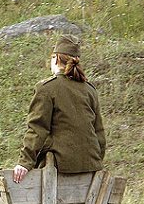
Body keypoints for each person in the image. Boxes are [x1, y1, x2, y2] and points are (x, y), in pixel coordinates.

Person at [13, 34, 106, 183]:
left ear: (56, 59)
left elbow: (37, 129)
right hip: (91, 165)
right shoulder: (89, 90)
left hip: (59, 166)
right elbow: (99, 133)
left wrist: (24, 162)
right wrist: (95, 160)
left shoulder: (47, 88)